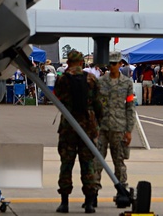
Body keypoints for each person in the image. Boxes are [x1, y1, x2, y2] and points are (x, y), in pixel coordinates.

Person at [55, 48, 102, 213]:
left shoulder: (62, 79)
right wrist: (98, 122)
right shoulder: (91, 79)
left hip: (68, 127)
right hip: (88, 127)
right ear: (82, 62)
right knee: (88, 164)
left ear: (68, 62)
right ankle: (89, 203)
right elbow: (98, 104)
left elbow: (57, 97)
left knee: (66, 164)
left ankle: (64, 202)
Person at [92, 51, 135, 208]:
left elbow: (130, 107)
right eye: (110, 63)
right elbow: (95, 105)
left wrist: (129, 130)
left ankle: (121, 191)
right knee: (97, 161)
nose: (112, 66)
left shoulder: (127, 83)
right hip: (102, 128)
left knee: (119, 162)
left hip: (119, 128)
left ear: (120, 64)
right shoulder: (101, 82)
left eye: (115, 63)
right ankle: (93, 193)